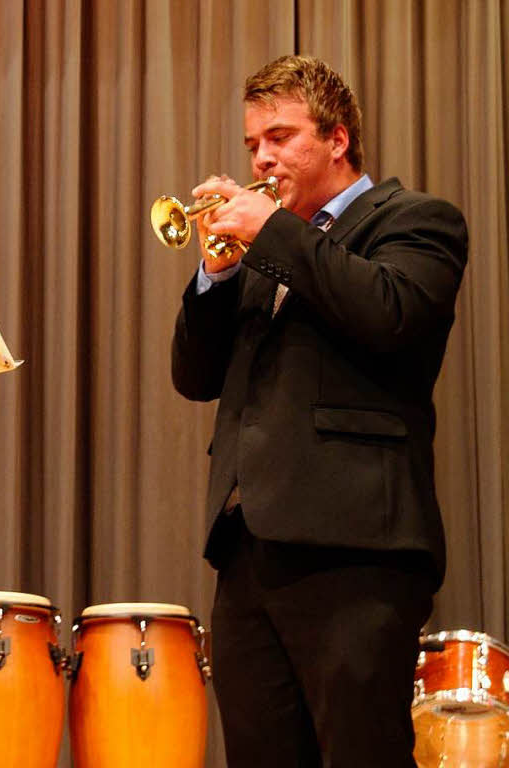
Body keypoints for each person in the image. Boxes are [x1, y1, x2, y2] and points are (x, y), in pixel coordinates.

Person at [170, 55, 468, 766]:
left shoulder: (416, 220)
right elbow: (195, 378)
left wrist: (270, 231)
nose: (262, 157)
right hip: (248, 552)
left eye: (280, 137)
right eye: (252, 146)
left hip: (356, 550)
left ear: (337, 139)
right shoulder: (266, 247)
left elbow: (390, 313)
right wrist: (216, 274)